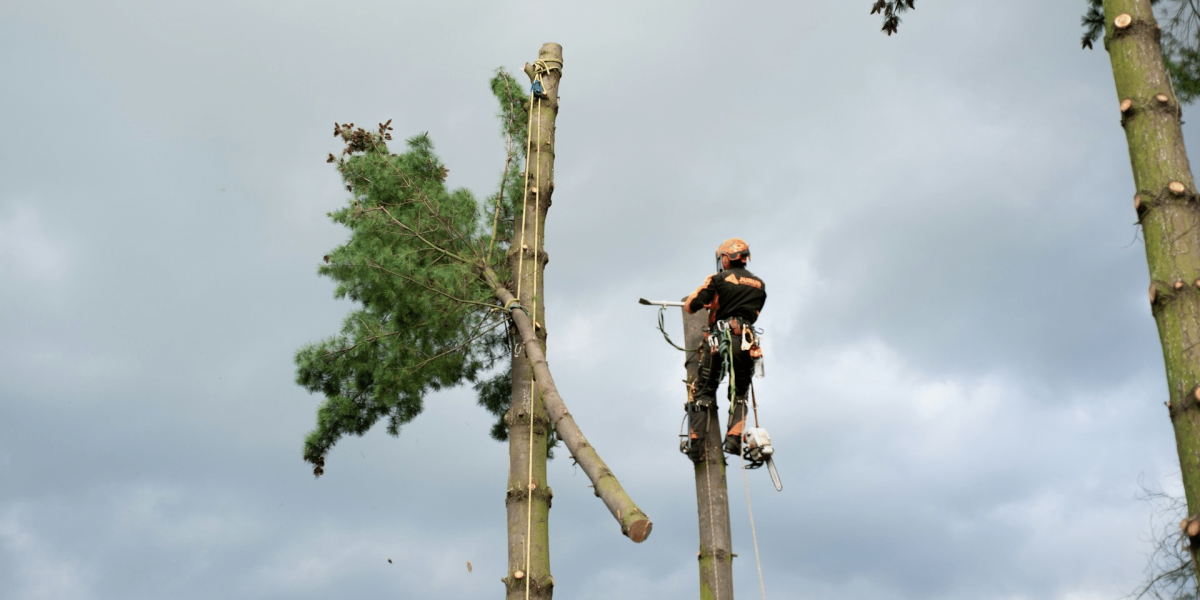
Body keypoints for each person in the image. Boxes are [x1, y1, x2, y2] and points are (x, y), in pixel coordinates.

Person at [682, 238, 767, 462]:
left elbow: (691, 306)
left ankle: (695, 442)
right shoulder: (760, 284)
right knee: (740, 393)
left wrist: (709, 289)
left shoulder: (719, 279)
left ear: (726, 258)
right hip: (746, 342)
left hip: (718, 341)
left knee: (704, 390)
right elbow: (753, 312)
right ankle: (733, 438)